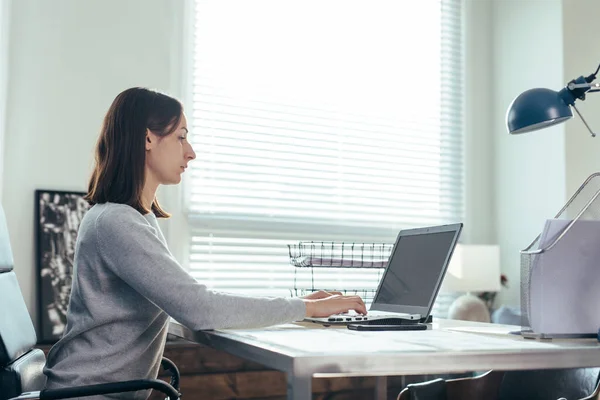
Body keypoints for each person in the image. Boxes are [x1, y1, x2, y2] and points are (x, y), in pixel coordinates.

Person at [43, 87, 367, 399]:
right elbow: (200, 308)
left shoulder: (132, 220)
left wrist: (299, 306)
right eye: (181, 136)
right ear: (147, 138)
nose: (191, 152)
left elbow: (192, 300)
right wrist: (306, 307)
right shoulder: (117, 223)